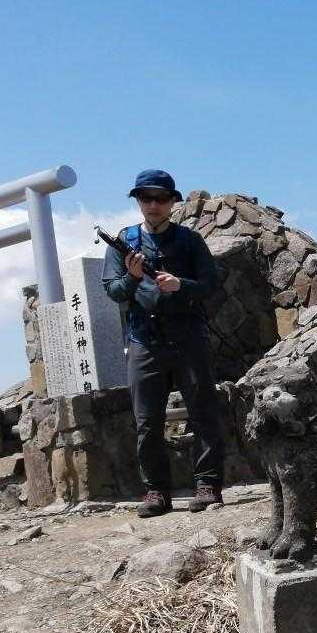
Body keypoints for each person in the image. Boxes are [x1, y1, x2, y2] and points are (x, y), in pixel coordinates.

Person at [101, 169, 225, 518]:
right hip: (144, 340)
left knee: (204, 412)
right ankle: (155, 491)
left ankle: (208, 485)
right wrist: (132, 277)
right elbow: (113, 290)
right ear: (138, 201)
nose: (153, 204)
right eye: (146, 198)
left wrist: (181, 285)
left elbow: (211, 283)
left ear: (172, 202)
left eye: (160, 198)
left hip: (189, 338)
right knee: (147, 421)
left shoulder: (190, 240)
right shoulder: (123, 242)